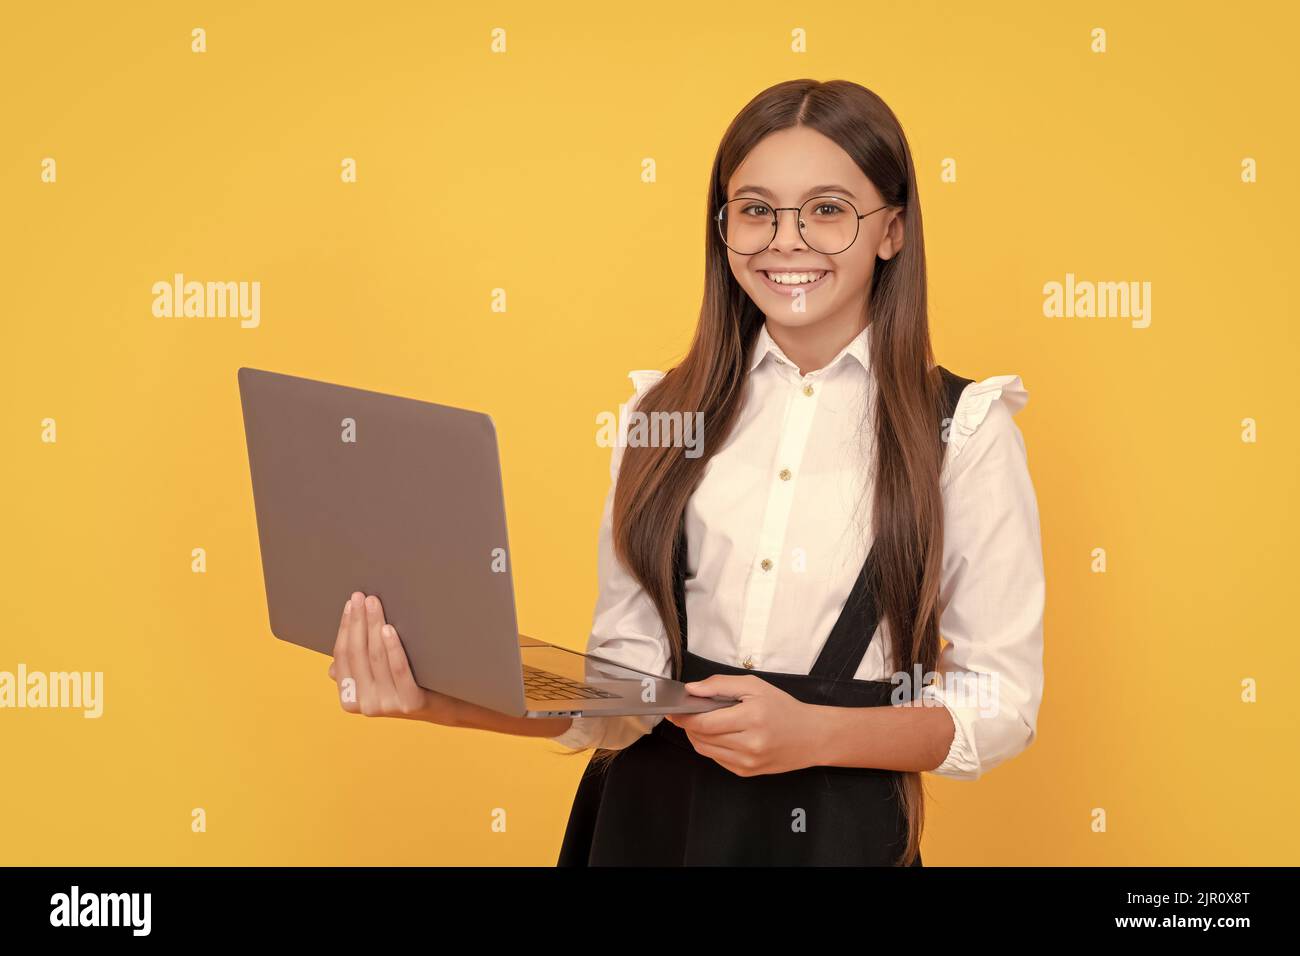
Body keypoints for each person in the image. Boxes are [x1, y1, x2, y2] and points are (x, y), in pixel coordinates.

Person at [327, 78, 1045, 867]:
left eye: (829, 210)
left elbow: (999, 703)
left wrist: (817, 732)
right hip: (642, 825)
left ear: (892, 232)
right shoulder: (659, 415)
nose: (786, 240)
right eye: (757, 210)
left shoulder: (965, 430)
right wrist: (440, 699)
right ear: (724, 227)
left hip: (837, 840)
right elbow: (623, 696)